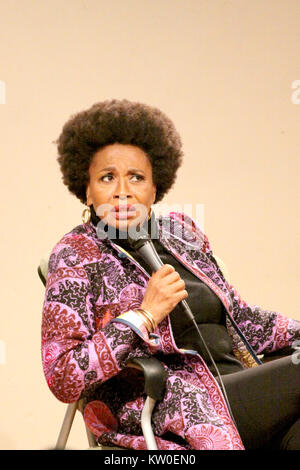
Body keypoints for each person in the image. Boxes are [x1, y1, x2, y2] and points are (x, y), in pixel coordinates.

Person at [41, 99, 300, 450]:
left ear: (154, 187)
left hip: (240, 387)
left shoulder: (182, 233)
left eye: (136, 177)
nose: (122, 191)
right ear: (86, 189)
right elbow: (64, 376)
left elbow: (241, 319)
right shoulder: (75, 255)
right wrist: (143, 316)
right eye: (107, 177)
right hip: (180, 407)